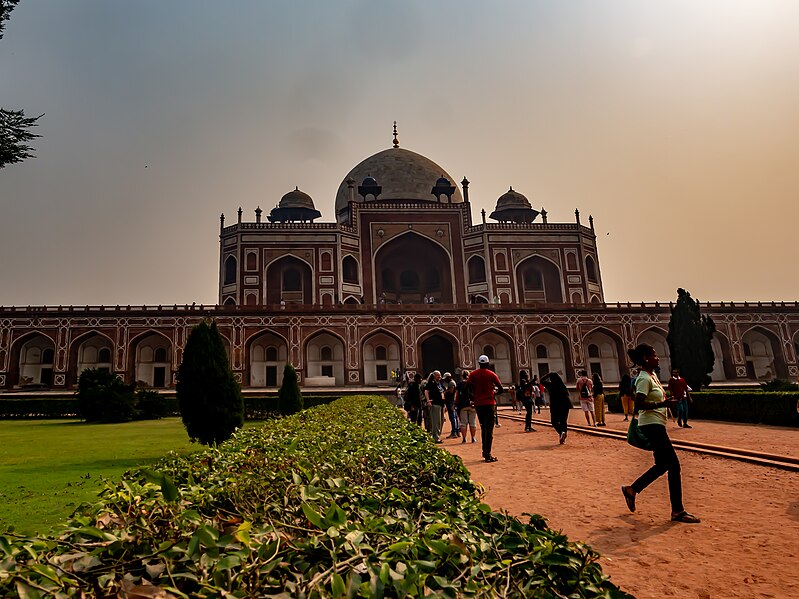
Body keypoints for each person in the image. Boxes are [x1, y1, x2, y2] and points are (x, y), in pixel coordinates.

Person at [621, 344, 700, 524]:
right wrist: (662, 405)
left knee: (664, 464)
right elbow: (639, 404)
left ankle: (632, 489)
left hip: (657, 424)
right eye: (654, 355)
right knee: (674, 465)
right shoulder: (643, 378)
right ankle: (677, 511)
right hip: (651, 425)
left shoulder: (652, 376)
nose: (658, 358)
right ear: (646, 358)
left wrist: (666, 402)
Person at [467, 355, 504, 462]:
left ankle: (485, 452)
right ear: (488, 364)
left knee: (483, 428)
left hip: (479, 404)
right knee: (489, 429)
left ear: (478, 363)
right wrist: (493, 394)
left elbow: (468, 387)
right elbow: (501, 389)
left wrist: (472, 398)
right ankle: (487, 454)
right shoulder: (492, 374)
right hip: (489, 403)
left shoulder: (473, 374)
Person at [541, 372, 572, 444]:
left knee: (554, 421)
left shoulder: (550, 385)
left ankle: (561, 433)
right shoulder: (562, 385)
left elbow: (541, 380)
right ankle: (563, 434)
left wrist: (548, 375)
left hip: (555, 405)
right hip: (565, 404)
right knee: (563, 421)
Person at [455, 369, 477, 443]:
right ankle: (473, 438)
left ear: (462, 376)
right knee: (472, 422)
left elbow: (457, 395)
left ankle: (464, 438)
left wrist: (455, 403)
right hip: (472, 405)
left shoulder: (459, 384)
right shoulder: (473, 383)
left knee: (463, 423)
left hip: (462, 405)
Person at [424, 370, 446, 443]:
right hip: (435, 404)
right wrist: (428, 400)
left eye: (440, 375)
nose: (439, 376)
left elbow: (443, 392)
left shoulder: (439, 383)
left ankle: (437, 435)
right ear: (434, 376)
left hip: (441, 404)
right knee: (436, 422)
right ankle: (435, 437)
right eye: (437, 375)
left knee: (441, 421)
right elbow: (426, 391)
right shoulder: (431, 383)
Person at [443, 372, 460, 438]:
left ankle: (454, 432)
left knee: (452, 417)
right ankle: (457, 431)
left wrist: (444, 392)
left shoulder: (451, 383)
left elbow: (451, 391)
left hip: (451, 402)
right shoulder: (452, 382)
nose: (445, 380)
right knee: (454, 417)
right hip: (452, 402)